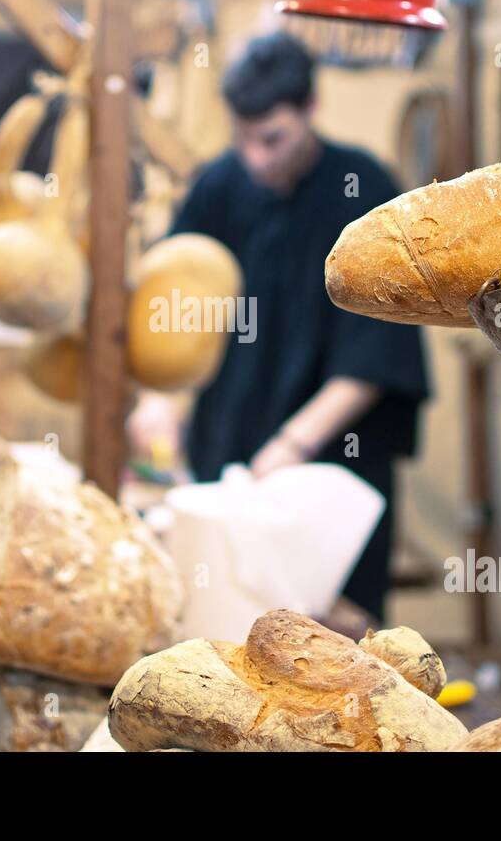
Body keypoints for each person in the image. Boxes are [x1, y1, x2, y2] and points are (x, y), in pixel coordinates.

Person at [128, 33, 429, 623]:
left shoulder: (364, 187)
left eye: (273, 140)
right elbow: (173, 300)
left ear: (311, 109)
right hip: (232, 444)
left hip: (331, 465)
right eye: (243, 139)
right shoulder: (218, 186)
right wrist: (159, 398)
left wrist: (294, 444)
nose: (256, 159)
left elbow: (376, 354)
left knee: (335, 641)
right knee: (228, 624)